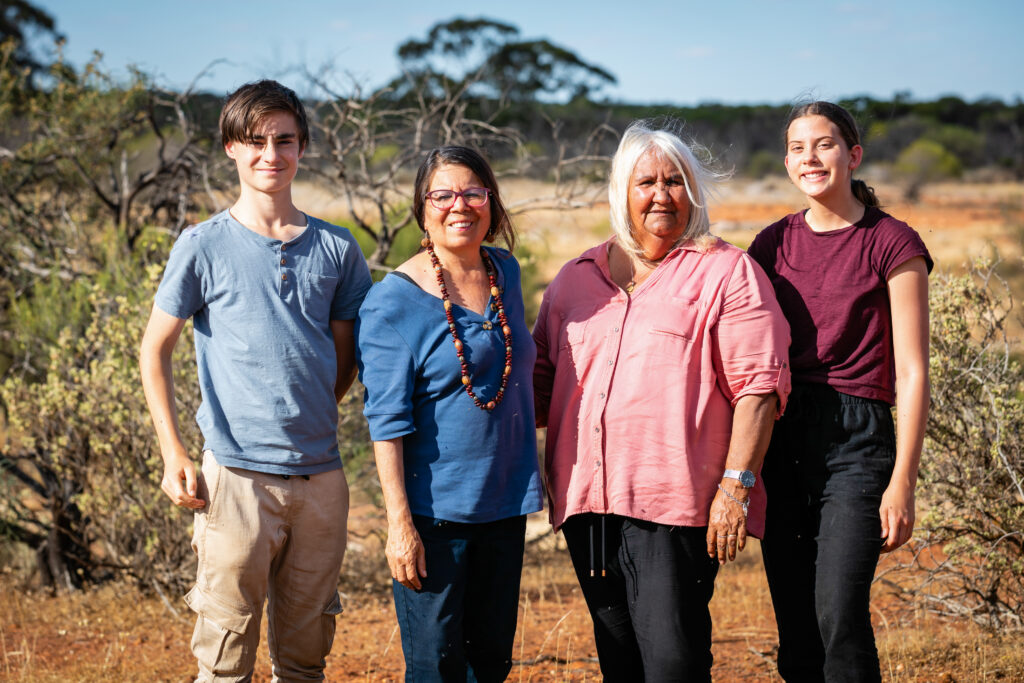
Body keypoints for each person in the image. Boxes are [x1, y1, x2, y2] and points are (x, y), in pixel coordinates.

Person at [533, 118, 791, 681]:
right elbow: (538, 382)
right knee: (619, 661)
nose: (661, 195)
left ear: (692, 193)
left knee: (673, 662)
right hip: (588, 506)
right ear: (622, 193)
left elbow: (760, 389)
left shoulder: (727, 272)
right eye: (646, 182)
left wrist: (736, 487)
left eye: (674, 182)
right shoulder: (574, 279)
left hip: (674, 508)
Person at [139, 79, 372, 681]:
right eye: (256, 141)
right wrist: (174, 453)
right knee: (224, 660)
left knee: (305, 659)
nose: (272, 154)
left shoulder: (338, 250)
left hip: (321, 480)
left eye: (285, 140)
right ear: (231, 148)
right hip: (233, 479)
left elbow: (344, 363)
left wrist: (303, 414)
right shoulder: (203, 245)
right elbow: (154, 349)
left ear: (302, 147)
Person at [748, 101, 931, 682]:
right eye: (799, 148)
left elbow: (913, 370)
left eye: (824, 145)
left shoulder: (892, 242)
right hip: (783, 437)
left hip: (858, 440)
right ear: (786, 162)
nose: (811, 158)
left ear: (852, 155)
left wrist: (902, 481)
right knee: (796, 624)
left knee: (839, 614)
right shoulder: (771, 244)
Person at [355, 146, 544, 682]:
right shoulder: (393, 301)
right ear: (422, 209)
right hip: (433, 518)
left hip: (504, 507)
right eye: (442, 194)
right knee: (436, 668)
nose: (459, 205)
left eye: (473, 192)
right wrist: (399, 528)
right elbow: (385, 423)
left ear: (492, 202)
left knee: (490, 664)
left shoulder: (504, 273)